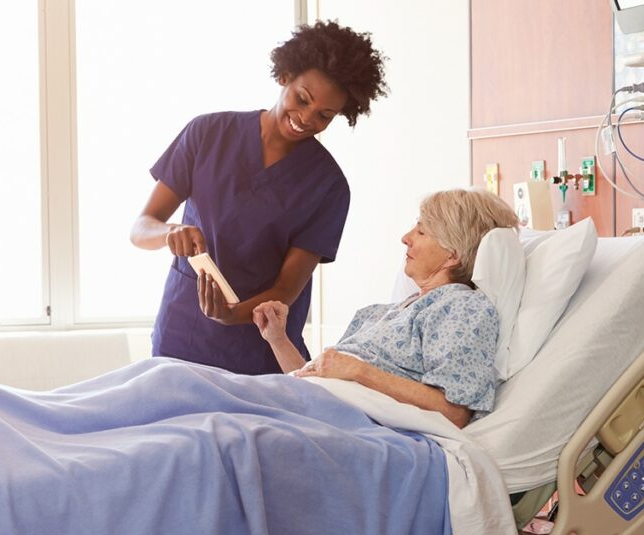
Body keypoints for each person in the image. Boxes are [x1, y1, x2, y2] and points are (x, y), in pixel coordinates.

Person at [130, 20, 388, 375]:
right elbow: (141, 228)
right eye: (302, 99)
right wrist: (170, 233)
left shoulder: (328, 186)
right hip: (183, 333)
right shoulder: (207, 134)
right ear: (285, 76)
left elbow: (286, 288)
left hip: (261, 347)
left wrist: (232, 314)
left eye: (324, 116)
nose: (305, 119)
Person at [253, 189, 520, 428]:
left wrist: (358, 371)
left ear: (453, 254)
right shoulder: (378, 313)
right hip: (310, 406)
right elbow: (315, 379)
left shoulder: (461, 308)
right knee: (212, 395)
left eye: (422, 231)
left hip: (349, 427)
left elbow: (453, 413)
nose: (406, 238)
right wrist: (277, 339)